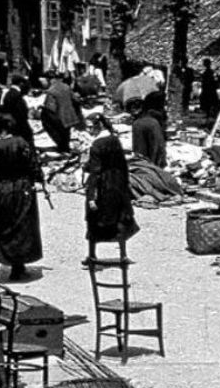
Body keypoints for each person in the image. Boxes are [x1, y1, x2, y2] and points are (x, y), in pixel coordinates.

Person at [0, 113, 45, 281]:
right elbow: (33, 165)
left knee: (3, 225)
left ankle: (3, 260)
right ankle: (19, 266)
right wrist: (39, 180)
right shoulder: (22, 143)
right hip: (22, 189)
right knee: (22, 226)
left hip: (1, 190)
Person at [83, 116, 139, 258]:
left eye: (91, 127)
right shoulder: (114, 140)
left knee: (94, 220)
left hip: (102, 187)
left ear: (99, 126)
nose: (89, 130)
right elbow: (123, 165)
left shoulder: (96, 145)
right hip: (117, 185)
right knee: (118, 219)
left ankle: (92, 255)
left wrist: (91, 197)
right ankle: (123, 254)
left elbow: (96, 172)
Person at [41, 75, 84, 153]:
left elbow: (50, 107)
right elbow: (76, 100)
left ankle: (62, 147)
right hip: (70, 116)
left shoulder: (51, 90)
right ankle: (66, 148)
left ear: (50, 80)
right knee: (66, 133)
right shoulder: (66, 87)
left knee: (53, 128)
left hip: (59, 117)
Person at [130, 98, 166, 168]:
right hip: (158, 163)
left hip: (146, 165)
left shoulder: (138, 124)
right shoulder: (154, 121)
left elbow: (139, 150)